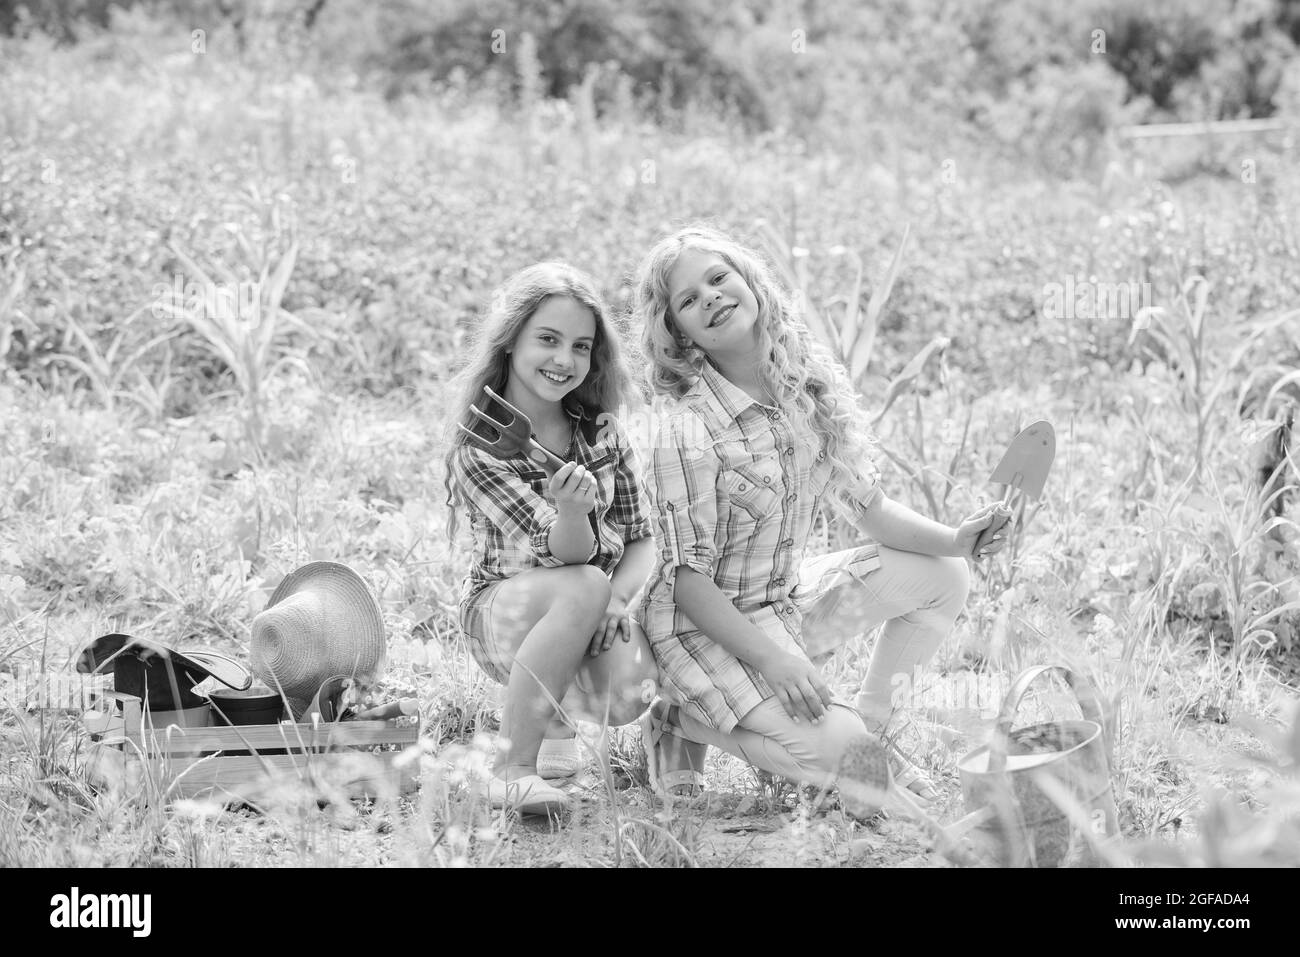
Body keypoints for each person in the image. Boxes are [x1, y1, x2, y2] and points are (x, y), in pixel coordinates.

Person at [632, 225, 1010, 813]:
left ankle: (868, 731)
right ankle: (680, 717)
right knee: (857, 772)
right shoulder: (686, 425)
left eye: (718, 277)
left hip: (783, 603)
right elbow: (685, 581)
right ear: (678, 333)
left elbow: (872, 510)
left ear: (751, 283)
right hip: (701, 630)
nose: (708, 296)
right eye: (687, 299)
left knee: (942, 576)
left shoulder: (799, 383)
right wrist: (775, 661)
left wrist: (958, 540)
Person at [445, 262, 658, 815]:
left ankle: (557, 713)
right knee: (583, 581)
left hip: (585, 608)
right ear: (511, 340)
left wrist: (617, 598)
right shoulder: (482, 450)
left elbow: (642, 539)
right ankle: (511, 767)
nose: (564, 360)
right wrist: (571, 512)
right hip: (502, 618)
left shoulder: (600, 433)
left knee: (631, 687)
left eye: (581, 346)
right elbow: (568, 553)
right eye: (548, 339)